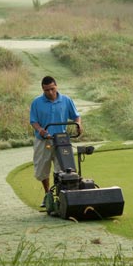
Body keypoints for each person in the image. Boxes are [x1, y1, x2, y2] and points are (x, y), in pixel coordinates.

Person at [29, 75, 82, 204]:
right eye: (47, 90)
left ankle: (62, 196)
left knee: (64, 168)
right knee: (42, 169)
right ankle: (48, 195)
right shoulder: (37, 102)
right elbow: (33, 121)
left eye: (52, 89)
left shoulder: (66, 100)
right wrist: (40, 129)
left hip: (61, 140)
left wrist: (79, 125)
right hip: (44, 140)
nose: (50, 92)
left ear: (56, 86)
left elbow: (76, 116)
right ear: (43, 89)